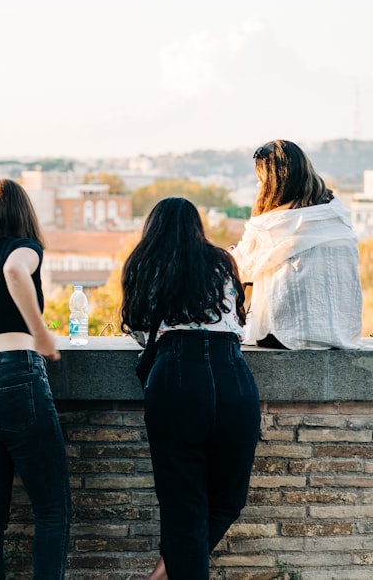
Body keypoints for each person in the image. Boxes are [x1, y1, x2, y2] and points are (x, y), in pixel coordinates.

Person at [121, 197, 260, 580]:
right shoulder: (222, 263)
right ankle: (167, 571)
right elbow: (239, 323)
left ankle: (166, 572)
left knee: (183, 505)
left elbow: (137, 328)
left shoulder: (145, 264)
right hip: (231, 373)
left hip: (176, 377)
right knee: (229, 498)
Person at [0, 179, 70, 579]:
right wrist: (41, 333)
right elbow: (14, 271)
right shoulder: (22, 248)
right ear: (23, 212)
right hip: (16, 374)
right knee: (52, 510)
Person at [231, 139, 362, 349]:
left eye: (260, 180)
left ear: (272, 182)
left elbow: (242, 269)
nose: (258, 185)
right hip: (341, 334)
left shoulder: (271, 224)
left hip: (287, 334)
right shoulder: (337, 215)